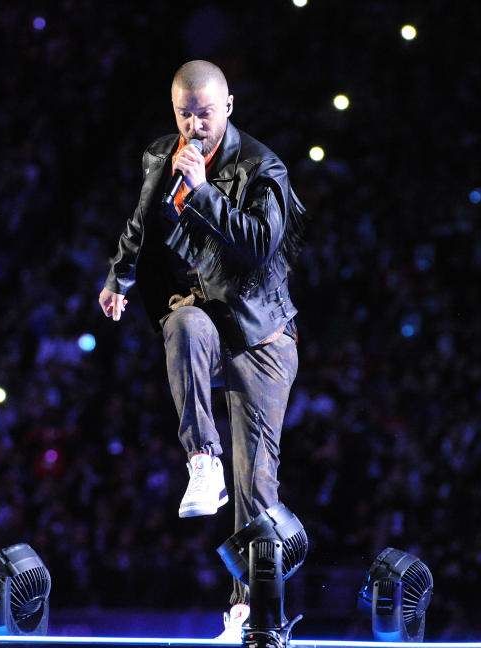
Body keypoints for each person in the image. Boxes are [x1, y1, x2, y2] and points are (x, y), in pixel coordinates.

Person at [98, 60, 305, 639]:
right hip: (209, 321)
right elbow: (141, 221)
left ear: (229, 107)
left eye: (205, 114)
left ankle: (254, 612)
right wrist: (120, 277)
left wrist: (207, 193)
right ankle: (201, 460)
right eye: (184, 114)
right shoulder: (162, 157)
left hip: (260, 335)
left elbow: (259, 248)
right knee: (182, 324)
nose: (194, 126)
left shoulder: (263, 167)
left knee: (257, 483)